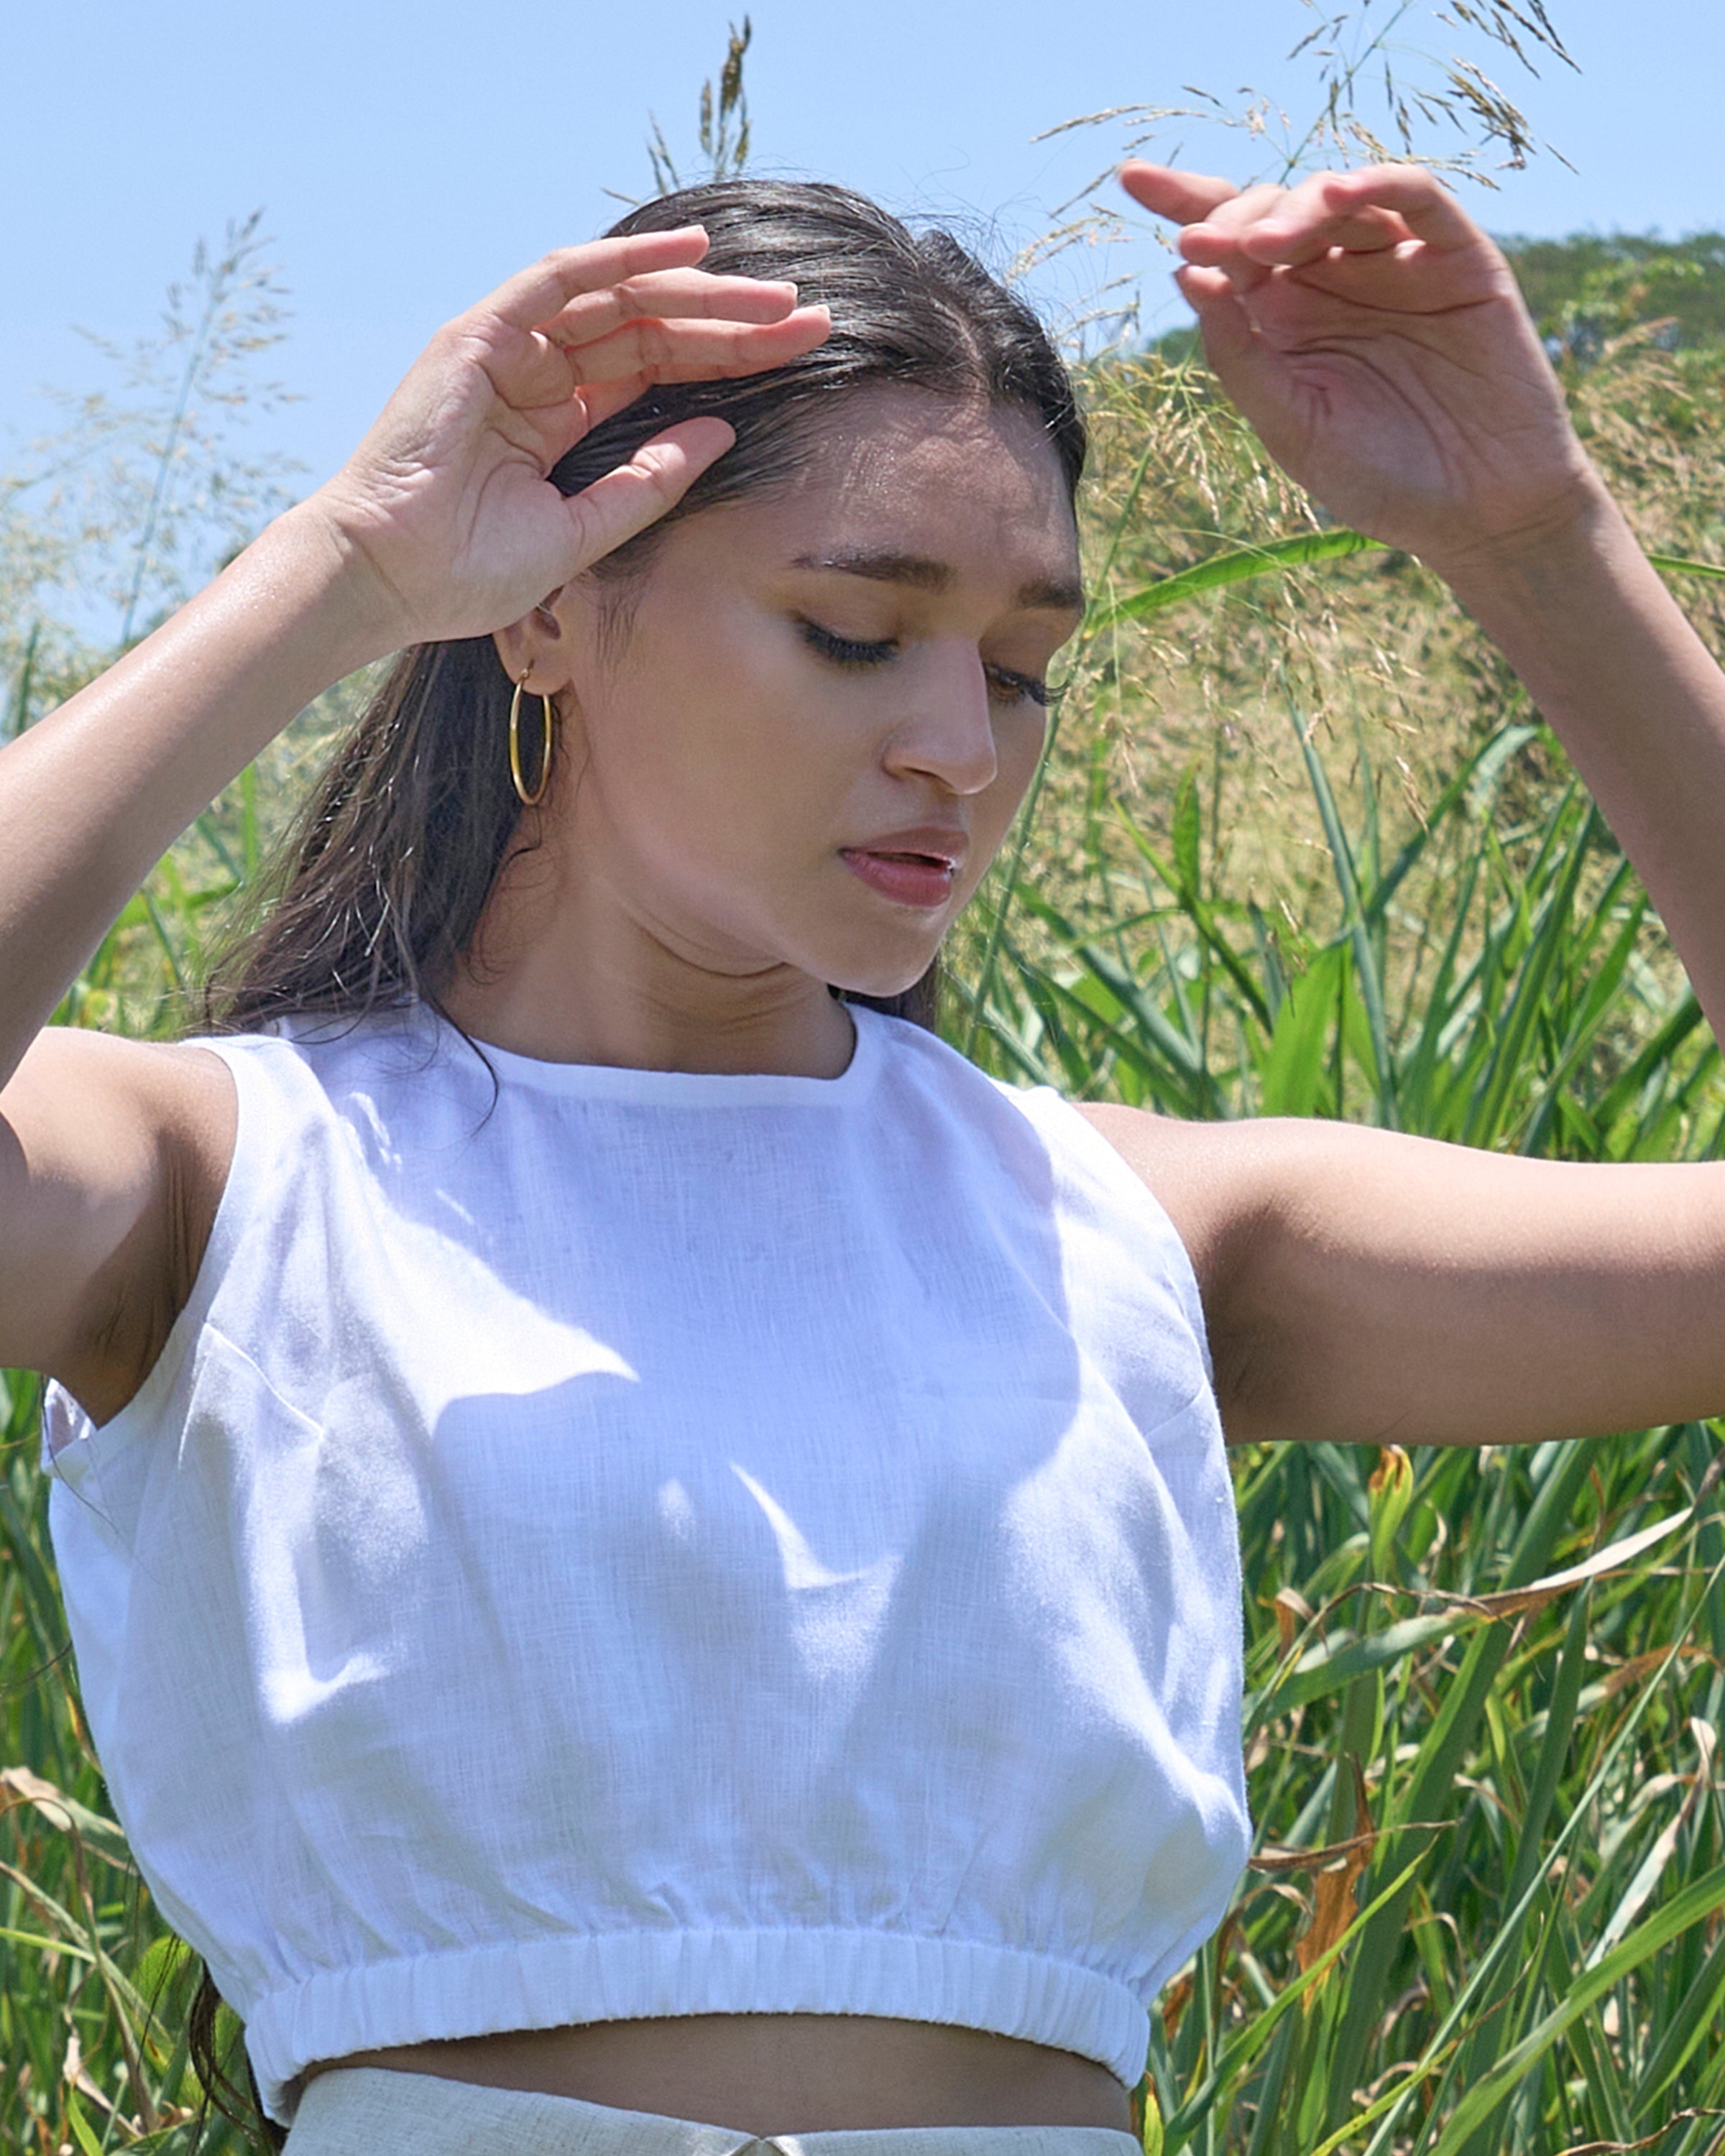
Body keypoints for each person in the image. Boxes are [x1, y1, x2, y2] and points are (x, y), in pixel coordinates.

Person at [2, 156, 1724, 2156]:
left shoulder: (1134, 1227)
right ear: (544, 611)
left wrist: (1538, 538)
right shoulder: (233, 1180)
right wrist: (350, 565)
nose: (962, 752)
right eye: (851, 633)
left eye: (1020, 672)